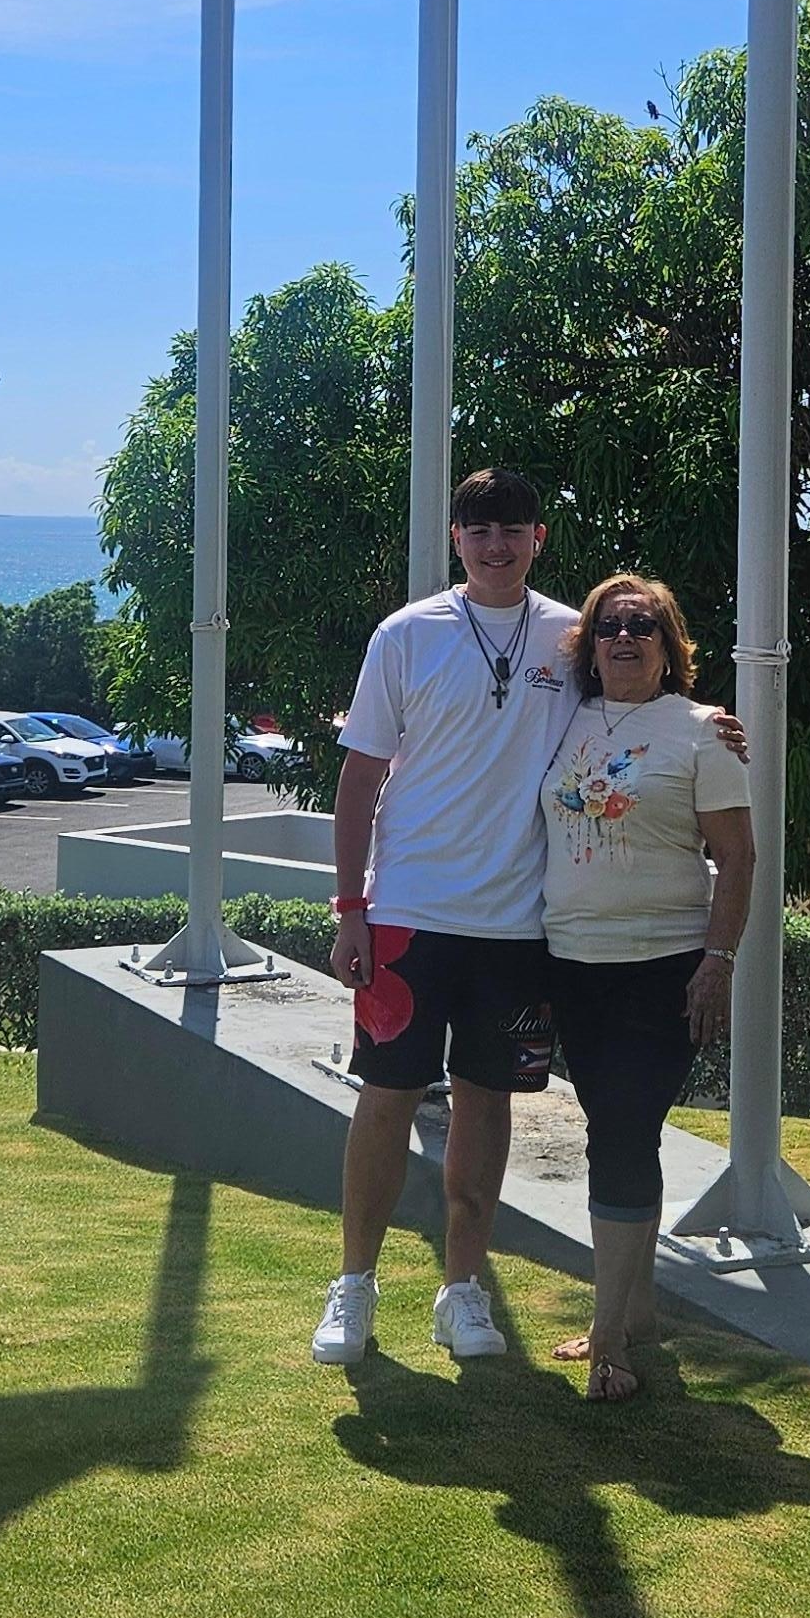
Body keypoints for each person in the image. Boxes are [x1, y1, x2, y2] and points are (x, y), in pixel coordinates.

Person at [313, 470, 583, 1368]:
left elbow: (637, 707)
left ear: (538, 536)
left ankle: (463, 1292)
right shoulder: (405, 635)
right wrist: (351, 907)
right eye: (479, 529)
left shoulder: (571, 636)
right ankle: (353, 1286)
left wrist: (710, 728)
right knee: (385, 1098)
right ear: (456, 540)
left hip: (518, 922)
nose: (496, 544)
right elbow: (360, 778)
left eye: (512, 528)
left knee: (486, 1102)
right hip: (409, 915)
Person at [536, 575, 754, 1402]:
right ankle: (641, 1311)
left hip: (665, 969)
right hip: (571, 963)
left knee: (620, 1135)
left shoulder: (702, 733)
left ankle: (607, 1342)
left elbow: (738, 858)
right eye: (610, 627)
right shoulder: (560, 720)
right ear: (589, 645)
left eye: (644, 627)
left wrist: (718, 961)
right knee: (620, 1129)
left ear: (671, 646)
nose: (625, 639)